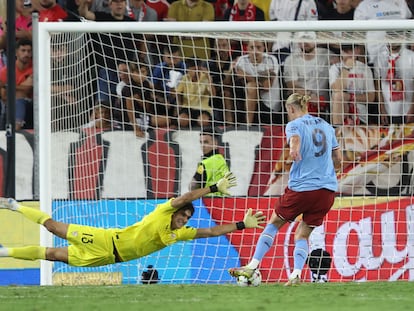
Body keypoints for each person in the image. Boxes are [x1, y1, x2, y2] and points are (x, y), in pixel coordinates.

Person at [0, 173, 266, 267]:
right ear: (175, 212)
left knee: (51, 255)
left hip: (107, 258)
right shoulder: (163, 211)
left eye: (186, 218)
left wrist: (241, 225)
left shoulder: (180, 234)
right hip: (105, 239)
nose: (184, 221)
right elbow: (185, 195)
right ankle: (15, 206)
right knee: (53, 226)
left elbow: (209, 232)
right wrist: (213, 188)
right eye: (183, 215)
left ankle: (4, 252)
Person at [228, 93, 342, 286]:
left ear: (290, 109)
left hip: (302, 188)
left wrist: (293, 151)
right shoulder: (326, 125)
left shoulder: (294, 125)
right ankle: (296, 275)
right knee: (303, 234)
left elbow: (295, 143)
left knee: (273, 224)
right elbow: (339, 160)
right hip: (327, 191)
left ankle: (252, 266)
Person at [283, 31, 330, 121]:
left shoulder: (327, 55)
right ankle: (294, 132)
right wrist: (310, 96)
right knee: (293, 100)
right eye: (302, 40)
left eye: (308, 39)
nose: (305, 43)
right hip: (302, 99)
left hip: (323, 100)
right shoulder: (291, 59)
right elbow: (292, 86)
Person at [329, 43, 376, 126]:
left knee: (340, 97)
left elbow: (371, 97)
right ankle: (337, 132)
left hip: (360, 116)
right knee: (338, 96)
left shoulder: (365, 69)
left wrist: (350, 97)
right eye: (345, 51)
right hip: (341, 114)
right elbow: (336, 89)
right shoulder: (335, 68)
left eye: (351, 50)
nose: (348, 54)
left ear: (357, 51)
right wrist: (347, 68)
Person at [0, 38, 33, 130]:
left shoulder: (35, 68)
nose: (26, 54)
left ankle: (16, 130)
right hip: (12, 104)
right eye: (23, 51)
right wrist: (20, 87)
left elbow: (28, 89)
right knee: (17, 98)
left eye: (29, 51)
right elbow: (3, 96)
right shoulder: (5, 71)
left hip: (33, 104)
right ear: (16, 53)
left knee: (19, 96)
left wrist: (7, 86)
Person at [189, 127, 230, 196]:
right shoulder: (222, 160)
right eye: (201, 142)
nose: (202, 146)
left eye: (206, 142)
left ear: (215, 143)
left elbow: (192, 186)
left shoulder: (205, 163)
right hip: (223, 201)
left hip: (208, 201)